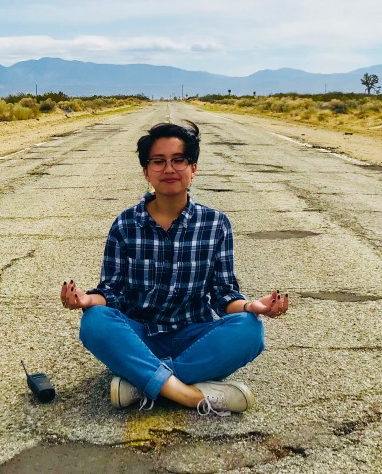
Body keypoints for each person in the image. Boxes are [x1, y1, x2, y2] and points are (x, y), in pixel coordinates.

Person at [60, 121, 289, 416]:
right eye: (158, 161)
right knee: (95, 320)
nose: (169, 169)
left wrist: (251, 306)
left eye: (178, 160)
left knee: (250, 329)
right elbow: (112, 291)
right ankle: (191, 395)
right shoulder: (126, 224)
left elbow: (223, 294)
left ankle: (142, 382)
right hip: (139, 337)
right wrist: (86, 300)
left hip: (194, 337)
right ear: (146, 172)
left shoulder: (215, 224)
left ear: (193, 168)